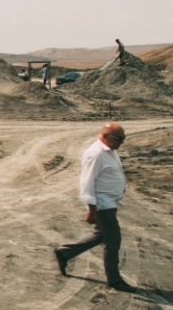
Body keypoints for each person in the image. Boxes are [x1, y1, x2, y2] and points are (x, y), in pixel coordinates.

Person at [54, 123, 137, 292]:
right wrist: (91, 208)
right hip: (102, 204)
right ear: (106, 135)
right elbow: (87, 182)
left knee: (101, 235)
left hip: (109, 203)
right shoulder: (96, 154)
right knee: (113, 240)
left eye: (123, 139)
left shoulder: (110, 152)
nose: (121, 142)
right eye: (119, 139)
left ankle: (64, 253)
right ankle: (114, 280)